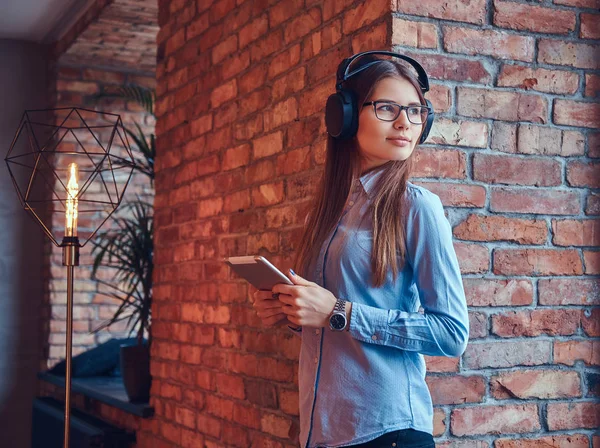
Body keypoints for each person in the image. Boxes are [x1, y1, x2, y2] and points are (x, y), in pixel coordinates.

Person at [252, 51, 469, 448]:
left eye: (415, 111)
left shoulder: (417, 206)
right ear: (345, 117)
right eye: (388, 107)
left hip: (387, 431)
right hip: (323, 429)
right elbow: (328, 316)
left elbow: (452, 334)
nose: (406, 122)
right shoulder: (328, 209)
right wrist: (293, 312)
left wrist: (338, 313)